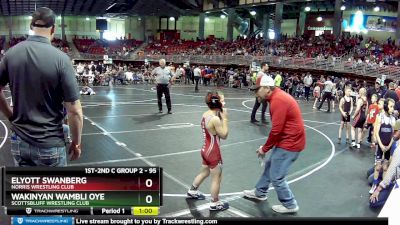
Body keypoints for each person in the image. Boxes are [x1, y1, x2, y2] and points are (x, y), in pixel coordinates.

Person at [0, 7, 83, 166]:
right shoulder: (61, 59)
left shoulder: (11, 54)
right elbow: (75, 111)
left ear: (31, 27)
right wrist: (76, 143)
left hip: (19, 141)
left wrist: (11, 116)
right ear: (53, 28)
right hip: (50, 144)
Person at [244, 75, 306, 214]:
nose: (255, 93)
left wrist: (264, 149)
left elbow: (277, 130)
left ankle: (290, 204)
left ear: (267, 88)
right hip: (287, 140)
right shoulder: (277, 97)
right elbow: (279, 129)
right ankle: (260, 192)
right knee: (270, 166)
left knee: (276, 176)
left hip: (290, 143)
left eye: (257, 89)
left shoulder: (278, 100)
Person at [187, 92, 229, 211]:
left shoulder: (206, 114)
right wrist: (225, 119)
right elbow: (224, 135)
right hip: (213, 152)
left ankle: (192, 191)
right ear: (217, 103)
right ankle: (215, 203)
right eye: (223, 100)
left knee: (205, 172)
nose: (224, 102)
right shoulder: (215, 119)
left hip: (205, 149)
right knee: (217, 178)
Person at [370, 98, 395, 194]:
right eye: (391, 106)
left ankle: (382, 187)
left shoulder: (393, 119)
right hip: (380, 146)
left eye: (393, 106)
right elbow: (376, 132)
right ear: (385, 107)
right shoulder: (380, 117)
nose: (392, 109)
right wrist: (380, 145)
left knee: (385, 167)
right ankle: (374, 185)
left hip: (388, 147)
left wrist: (389, 146)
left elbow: (394, 134)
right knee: (377, 167)